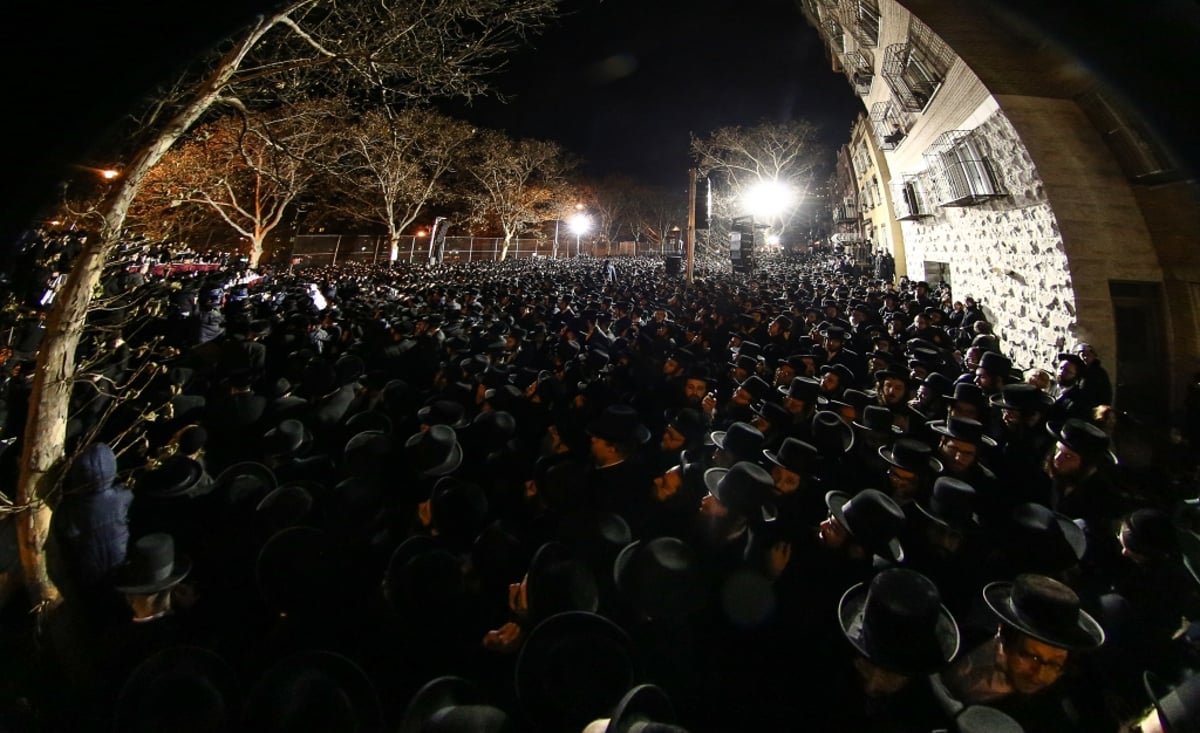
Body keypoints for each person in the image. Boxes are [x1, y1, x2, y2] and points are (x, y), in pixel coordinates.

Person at [935, 573, 1106, 731]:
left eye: (1055, 664)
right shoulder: (958, 641)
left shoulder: (1047, 721)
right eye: (1032, 656)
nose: (1040, 674)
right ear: (1003, 635)